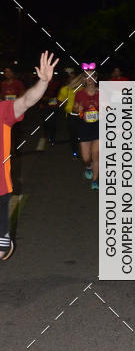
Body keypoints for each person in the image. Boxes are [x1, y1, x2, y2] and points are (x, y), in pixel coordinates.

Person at [0, 52, 59, 260]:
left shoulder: (3, 111)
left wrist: (43, 82)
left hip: (0, 188)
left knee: (1, 252)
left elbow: (26, 101)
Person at [74, 68, 100, 189]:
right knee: (86, 158)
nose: (89, 79)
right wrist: (77, 108)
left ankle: (95, 181)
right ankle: (88, 166)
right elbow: (74, 108)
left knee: (96, 155)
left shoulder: (102, 93)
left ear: (96, 78)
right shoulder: (79, 93)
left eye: (92, 76)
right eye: (87, 77)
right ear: (84, 79)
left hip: (98, 127)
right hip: (84, 127)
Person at [58, 68, 80, 158]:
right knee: (73, 134)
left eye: (74, 78)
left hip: (83, 115)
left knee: (83, 134)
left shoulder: (82, 88)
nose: (72, 80)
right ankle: (75, 151)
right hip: (71, 115)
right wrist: (66, 104)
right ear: (67, 79)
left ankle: (84, 149)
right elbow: (60, 102)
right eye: (70, 78)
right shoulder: (64, 89)